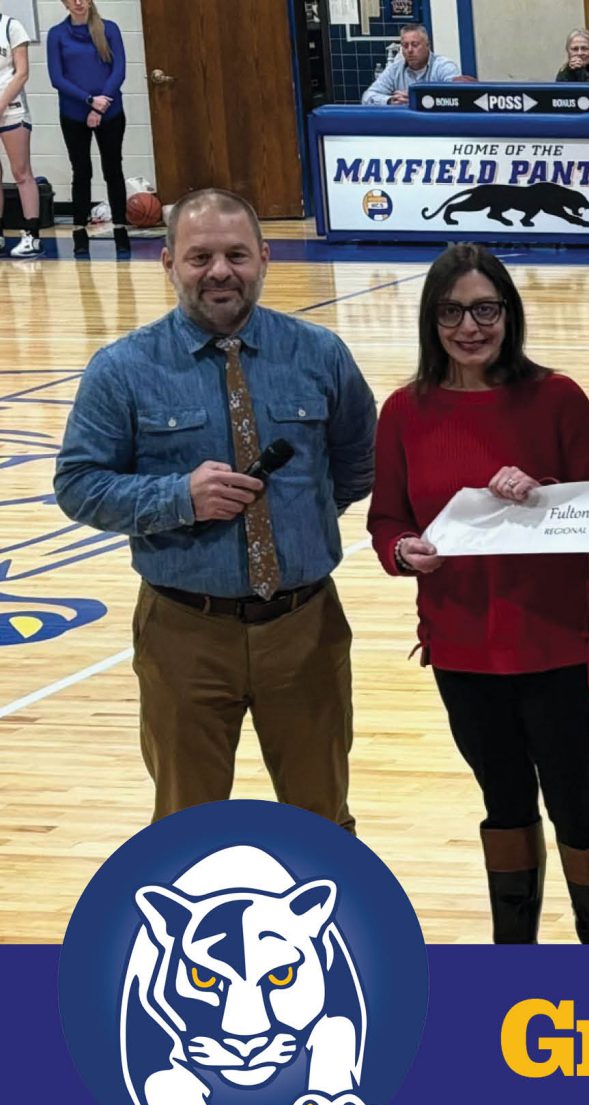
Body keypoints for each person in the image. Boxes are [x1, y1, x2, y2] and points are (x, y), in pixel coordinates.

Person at [53, 189, 376, 830]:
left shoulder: (322, 355)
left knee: (323, 820)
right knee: (184, 825)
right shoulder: (122, 369)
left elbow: (357, 465)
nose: (219, 271)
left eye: (236, 254)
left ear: (265, 257)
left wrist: (299, 526)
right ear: (168, 263)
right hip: (184, 633)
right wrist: (179, 499)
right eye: (200, 257)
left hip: (304, 629)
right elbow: (79, 484)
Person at [366, 245, 589, 946]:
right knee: (503, 803)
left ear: (509, 314)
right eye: (452, 311)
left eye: (486, 309)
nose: (470, 326)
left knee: (578, 807)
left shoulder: (557, 398)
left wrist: (541, 498)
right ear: (431, 319)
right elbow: (387, 520)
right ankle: (515, 954)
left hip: (553, 641)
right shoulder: (403, 411)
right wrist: (402, 552)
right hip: (460, 645)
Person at [49, 0, 129, 254]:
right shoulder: (57, 34)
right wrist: (88, 101)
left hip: (109, 112)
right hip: (74, 113)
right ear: (64, 3)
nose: (78, 2)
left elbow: (119, 71)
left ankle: (120, 226)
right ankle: (79, 230)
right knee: (81, 171)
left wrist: (99, 106)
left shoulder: (109, 29)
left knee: (112, 168)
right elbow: (57, 78)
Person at [2, 7, 38, 257]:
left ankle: (32, 235)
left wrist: (1, 103)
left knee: (21, 172)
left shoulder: (11, 26)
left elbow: (22, 72)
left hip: (12, 108)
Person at [359, 23, 460, 105]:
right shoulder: (395, 69)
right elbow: (367, 97)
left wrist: (418, 99)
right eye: (405, 45)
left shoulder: (444, 66)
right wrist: (390, 101)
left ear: (428, 45)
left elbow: (456, 97)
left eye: (415, 45)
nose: (410, 50)